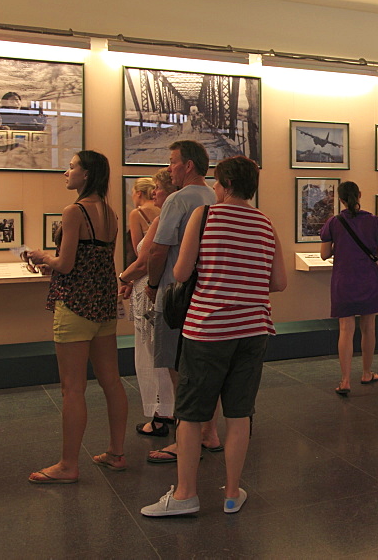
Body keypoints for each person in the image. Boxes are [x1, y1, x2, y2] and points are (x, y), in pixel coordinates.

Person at [141, 155, 288, 517]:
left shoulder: (206, 216)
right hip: (253, 330)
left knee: (191, 414)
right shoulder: (266, 224)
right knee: (239, 415)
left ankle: (186, 494)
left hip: (207, 329)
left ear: (223, 184)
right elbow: (279, 282)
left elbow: (181, 268)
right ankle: (232, 493)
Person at [23, 150, 128, 483]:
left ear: (87, 174)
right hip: (102, 304)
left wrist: (43, 256)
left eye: (71, 168)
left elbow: (66, 264)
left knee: (72, 389)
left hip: (75, 304)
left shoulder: (74, 212)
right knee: (111, 381)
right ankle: (116, 452)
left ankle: (68, 465)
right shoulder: (110, 214)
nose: (66, 173)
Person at [143, 141, 220, 463]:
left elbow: (159, 249)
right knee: (202, 366)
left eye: (172, 161)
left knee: (178, 368)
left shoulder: (179, 199)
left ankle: (186, 438)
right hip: (207, 294)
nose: (170, 168)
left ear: (188, 165)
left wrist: (151, 283)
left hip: (176, 294)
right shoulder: (215, 197)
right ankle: (208, 431)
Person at [118, 170, 177, 437]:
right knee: (160, 354)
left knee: (153, 355)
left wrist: (124, 278)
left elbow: (143, 259)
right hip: (155, 289)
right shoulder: (170, 216)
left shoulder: (155, 217)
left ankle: (161, 413)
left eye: (158, 189)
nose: (155, 194)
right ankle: (166, 410)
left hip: (150, 291)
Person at [320, 181, 378, 395]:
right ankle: (367, 372)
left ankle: (344, 380)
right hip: (368, 279)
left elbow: (324, 254)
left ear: (340, 199)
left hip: (343, 280)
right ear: (359, 195)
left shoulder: (334, 222)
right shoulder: (375, 221)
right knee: (368, 328)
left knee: (345, 329)